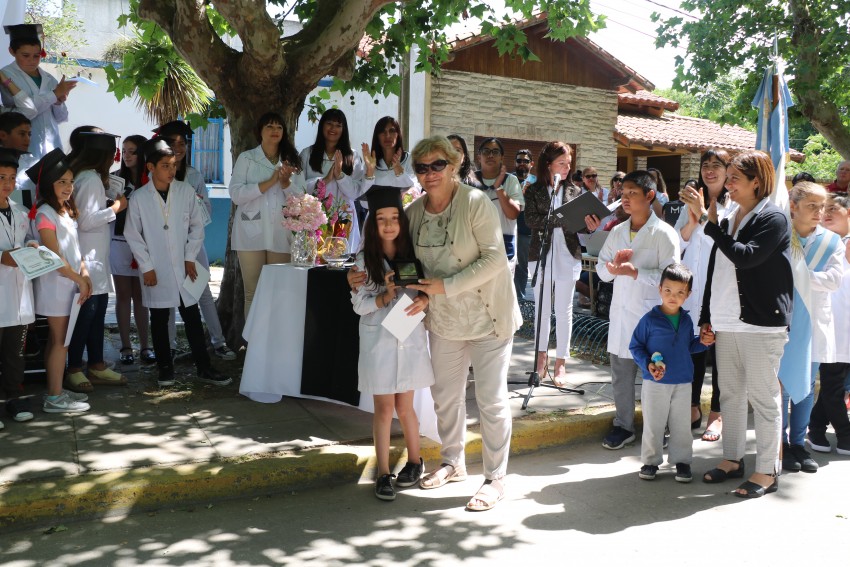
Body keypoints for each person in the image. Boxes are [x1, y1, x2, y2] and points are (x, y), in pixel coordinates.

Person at [404, 135, 521, 512]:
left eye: (437, 165)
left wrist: (445, 285)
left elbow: (495, 259)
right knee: (445, 398)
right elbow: (407, 265)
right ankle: (453, 463)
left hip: (487, 316)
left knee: (490, 400)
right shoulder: (414, 213)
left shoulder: (475, 202)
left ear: (454, 165)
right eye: (422, 167)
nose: (430, 173)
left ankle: (495, 477)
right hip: (444, 321)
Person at [680, 149, 792, 498]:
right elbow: (714, 272)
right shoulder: (730, 218)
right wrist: (706, 318)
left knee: (763, 399)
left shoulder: (773, 218)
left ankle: (767, 471)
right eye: (727, 177)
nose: (727, 183)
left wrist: (708, 224)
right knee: (729, 396)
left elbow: (746, 258)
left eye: (734, 178)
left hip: (760, 325)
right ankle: (732, 460)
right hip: (726, 321)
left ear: (757, 182)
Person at [124, 138, 231, 388]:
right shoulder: (139, 198)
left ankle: (204, 367)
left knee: (192, 317)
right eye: (165, 166)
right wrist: (147, 266)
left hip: (185, 267)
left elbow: (197, 228)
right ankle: (165, 369)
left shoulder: (185, 192)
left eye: (173, 165)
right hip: (156, 269)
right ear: (150, 167)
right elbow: (133, 234)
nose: (171, 170)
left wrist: (189, 257)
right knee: (160, 319)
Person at [351, 185, 433, 501]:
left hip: (408, 337)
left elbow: (425, 292)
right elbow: (359, 305)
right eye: (381, 218)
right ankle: (383, 472)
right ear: (372, 223)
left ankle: (415, 461)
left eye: (394, 218)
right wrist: (384, 296)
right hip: (379, 341)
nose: (388, 225)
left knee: (405, 406)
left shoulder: (412, 256)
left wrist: (424, 298)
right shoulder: (363, 261)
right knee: (384, 409)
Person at [595, 170, 680, 450]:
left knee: (655, 374)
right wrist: (611, 269)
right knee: (621, 374)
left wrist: (636, 273)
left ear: (650, 196)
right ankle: (624, 426)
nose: (626, 198)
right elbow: (601, 268)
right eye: (624, 193)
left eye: (633, 193)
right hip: (621, 315)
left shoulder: (664, 233)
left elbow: (673, 278)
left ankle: (660, 427)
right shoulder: (618, 231)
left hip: (651, 316)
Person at [157, 120, 236, 360]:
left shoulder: (193, 175)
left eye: (183, 143)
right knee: (169, 296)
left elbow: (206, 211)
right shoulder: (155, 176)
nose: (179, 147)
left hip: (193, 243)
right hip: (164, 245)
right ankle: (169, 345)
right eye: (173, 142)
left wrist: (197, 204)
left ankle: (218, 341)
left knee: (201, 292)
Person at [779, 181, 843, 473]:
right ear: (794, 206)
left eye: (823, 207)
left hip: (814, 323)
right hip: (782, 321)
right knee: (780, 386)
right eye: (811, 206)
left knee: (806, 385)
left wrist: (800, 276)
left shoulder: (832, 241)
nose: (819, 212)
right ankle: (778, 442)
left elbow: (834, 280)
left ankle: (798, 443)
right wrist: (808, 277)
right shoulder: (780, 234)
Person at [629, 263, 713, 482]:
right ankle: (650, 462)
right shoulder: (649, 320)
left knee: (682, 426)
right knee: (654, 424)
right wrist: (648, 363)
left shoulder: (686, 320)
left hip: (683, 382)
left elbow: (688, 346)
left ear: (688, 295)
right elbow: (635, 346)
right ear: (660, 289)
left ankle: (682, 461)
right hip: (655, 383)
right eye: (668, 290)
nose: (673, 296)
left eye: (679, 292)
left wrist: (703, 343)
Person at [27, 149, 91, 413]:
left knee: (60, 341)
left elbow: (75, 250)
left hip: (70, 285)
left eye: (70, 181)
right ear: (48, 184)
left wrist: (84, 274)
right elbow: (54, 256)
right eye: (61, 182)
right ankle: (54, 397)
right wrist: (79, 278)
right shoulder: (45, 214)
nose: (68, 187)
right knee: (59, 341)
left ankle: (56, 390)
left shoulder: (64, 211)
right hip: (57, 287)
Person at [676, 149, 732, 442]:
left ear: (727, 171)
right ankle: (693, 407)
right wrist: (693, 217)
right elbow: (680, 239)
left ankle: (717, 414)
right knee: (693, 351)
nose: (709, 170)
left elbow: (725, 237)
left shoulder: (734, 204)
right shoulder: (691, 199)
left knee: (719, 354)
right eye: (705, 165)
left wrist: (705, 211)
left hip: (721, 289)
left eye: (716, 166)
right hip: (693, 289)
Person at [66, 131, 128, 393]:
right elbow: (87, 220)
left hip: (94, 257)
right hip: (89, 259)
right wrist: (116, 208)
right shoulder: (90, 178)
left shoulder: (86, 176)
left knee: (97, 313)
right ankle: (74, 369)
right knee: (87, 316)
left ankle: (97, 364)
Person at [229, 112, 304, 318]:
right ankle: (252, 345)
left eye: (279, 127)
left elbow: (302, 199)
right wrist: (270, 182)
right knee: (252, 292)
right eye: (269, 127)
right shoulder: (247, 158)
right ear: (259, 132)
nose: (275, 131)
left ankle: (274, 345)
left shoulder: (291, 161)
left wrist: (286, 183)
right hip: (250, 232)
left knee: (279, 292)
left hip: (281, 232)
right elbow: (236, 194)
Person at [524, 142, 585, 387]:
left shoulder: (575, 191)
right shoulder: (534, 190)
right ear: (548, 165)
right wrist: (559, 219)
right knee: (542, 309)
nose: (567, 167)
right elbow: (530, 219)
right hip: (541, 254)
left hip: (568, 254)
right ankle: (541, 361)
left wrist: (586, 223)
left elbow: (579, 224)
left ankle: (561, 363)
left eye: (569, 163)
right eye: (562, 163)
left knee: (564, 310)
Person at [808, 192, 850, 455]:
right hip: (829, 323)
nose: (827, 213)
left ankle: (816, 426)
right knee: (833, 382)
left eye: (834, 208)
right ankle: (845, 435)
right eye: (825, 209)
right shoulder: (818, 242)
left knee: (836, 383)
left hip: (847, 324)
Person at [299, 109, 370, 253]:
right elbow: (299, 189)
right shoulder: (307, 154)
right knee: (316, 257)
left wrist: (340, 177)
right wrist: (325, 180)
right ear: (322, 126)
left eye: (338, 125)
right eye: (329, 124)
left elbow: (355, 193)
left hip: (344, 216)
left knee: (341, 260)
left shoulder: (352, 156)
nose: (333, 129)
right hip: (315, 217)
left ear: (344, 129)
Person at [0, 147, 36, 424]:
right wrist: (6, 257)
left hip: (18, 295)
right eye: (1, 178)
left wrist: (32, 248)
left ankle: (13, 399)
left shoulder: (21, 212)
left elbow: (25, 245)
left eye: (12, 178)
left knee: (15, 353)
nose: (8, 184)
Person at [0, 25, 74, 161]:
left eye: (37, 55)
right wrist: (54, 94)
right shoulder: (6, 75)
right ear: (12, 51)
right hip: (24, 149)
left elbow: (61, 118)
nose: (32, 60)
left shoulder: (48, 78)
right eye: (25, 55)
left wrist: (59, 101)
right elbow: (27, 112)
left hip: (52, 147)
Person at [111, 134, 154, 365]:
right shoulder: (115, 179)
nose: (126, 156)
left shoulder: (151, 180)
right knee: (123, 295)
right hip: (119, 242)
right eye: (124, 151)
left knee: (141, 296)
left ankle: (146, 346)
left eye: (132, 151)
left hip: (145, 244)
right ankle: (126, 346)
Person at [470, 138, 524, 262]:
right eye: (486, 151)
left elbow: (513, 214)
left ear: (502, 157)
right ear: (479, 157)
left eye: (495, 152)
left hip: (503, 247)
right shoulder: (471, 181)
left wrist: (499, 187)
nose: (490, 155)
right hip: (475, 245)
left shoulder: (511, 180)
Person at [367, 116, 416, 189]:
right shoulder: (370, 163)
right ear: (377, 137)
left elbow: (414, 189)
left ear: (398, 134)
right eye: (382, 132)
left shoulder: (410, 159)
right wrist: (370, 171)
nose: (387, 136)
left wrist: (398, 169)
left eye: (392, 131)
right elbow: (363, 194)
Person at [513, 149, 535, 299]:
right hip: (510, 231)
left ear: (531, 164)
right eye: (519, 160)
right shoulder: (509, 180)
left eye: (525, 161)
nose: (522, 163)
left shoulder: (537, 182)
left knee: (522, 269)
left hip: (528, 233)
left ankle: (520, 302)